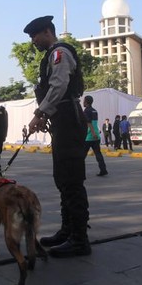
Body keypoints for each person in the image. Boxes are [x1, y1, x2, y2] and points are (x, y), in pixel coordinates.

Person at [24, 15, 91, 258]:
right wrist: (46, 116)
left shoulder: (59, 53)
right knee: (63, 178)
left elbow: (59, 86)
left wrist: (40, 112)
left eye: (34, 36)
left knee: (71, 180)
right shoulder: (52, 54)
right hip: (62, 120)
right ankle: (67, 230)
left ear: (47, 32)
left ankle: (80, 240)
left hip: (69, 120)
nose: (33, 41)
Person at [83, 95, 108, 177]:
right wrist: (96, 133)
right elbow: (95, 123)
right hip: (96, 136)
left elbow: (89, 123)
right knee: (98, 154)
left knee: (82, 155)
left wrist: (92, 133)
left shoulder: (86, 111)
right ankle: (103, 170)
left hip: (89, 136)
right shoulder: (94, 111)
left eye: (84, 101)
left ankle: (78, 172)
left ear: (86, 102)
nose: (83, 102)